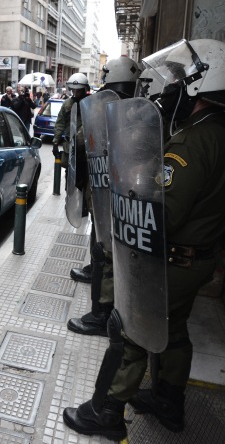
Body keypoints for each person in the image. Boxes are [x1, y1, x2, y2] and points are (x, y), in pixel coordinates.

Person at [63, 39, 225, 440]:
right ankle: (168, 400)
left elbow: (162, 212)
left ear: (201, 84)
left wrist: (133, 186)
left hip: (178, 258)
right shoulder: (214, 130)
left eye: (180, 80)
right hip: (196, 257)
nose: (172, 89)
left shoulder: (196, 141)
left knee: (129, 329)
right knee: (174, 328)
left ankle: (105, 411)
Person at [67, 57, 141, 337]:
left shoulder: (110, 108)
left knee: (106, 250)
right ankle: (100, 295)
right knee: (101, 241)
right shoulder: (137, 108)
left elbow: (84, 140)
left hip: (111, 187)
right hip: (112, 187)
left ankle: (102, 315)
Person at [51, 73, 89, 165]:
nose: (76, 92)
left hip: (87, 146)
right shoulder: (67, 104)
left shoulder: (90, 103)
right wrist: (55, 141)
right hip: (70, 145)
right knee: (69, 172)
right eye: (74, 90)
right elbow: (60, 123)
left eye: (78, 90)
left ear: (84, 89)